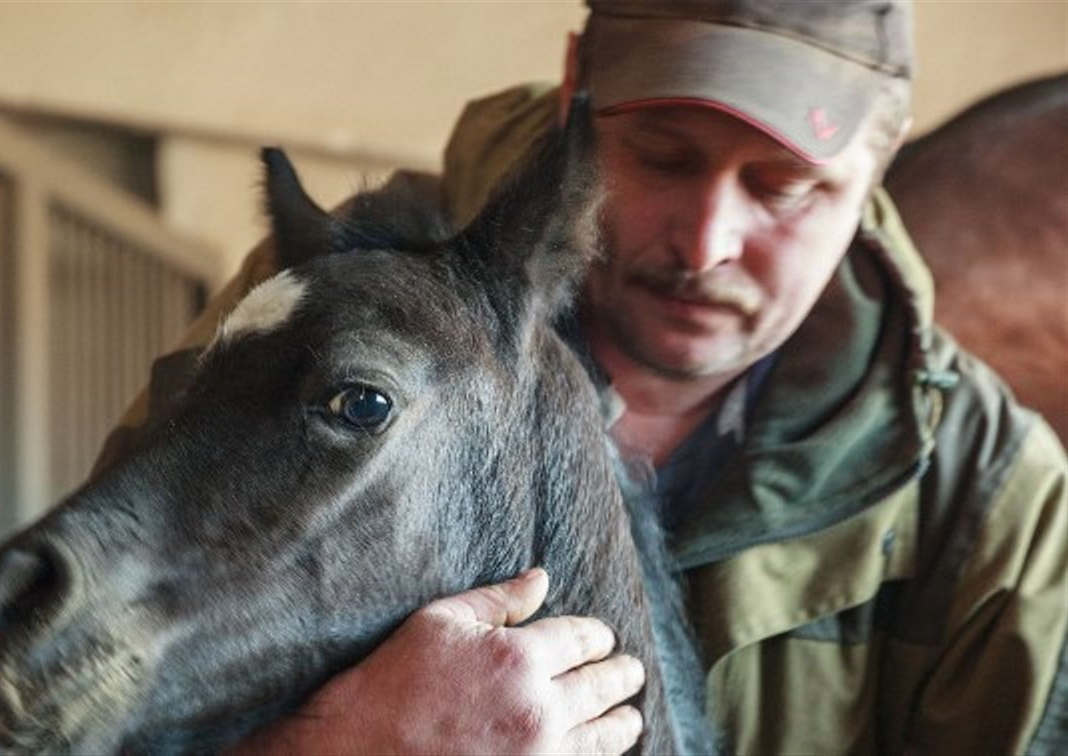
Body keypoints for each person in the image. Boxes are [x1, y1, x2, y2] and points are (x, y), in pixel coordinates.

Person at [93, 1, 1068, 753]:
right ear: (572, 87)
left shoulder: (983, 495)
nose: (704, 243)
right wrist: (318, 747)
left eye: (782, 187)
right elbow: (66, 692)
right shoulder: (327, 310)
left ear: (878, 159)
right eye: (659, 155)